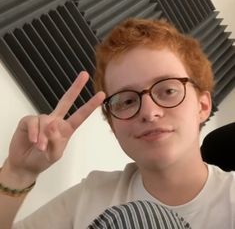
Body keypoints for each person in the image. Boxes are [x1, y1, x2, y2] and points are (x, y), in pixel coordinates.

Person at [0, 18, 234, 229]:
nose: (149, 112)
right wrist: (18, 173)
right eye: (127, 101)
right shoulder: (90, 196)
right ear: (113, 125)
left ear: (202, 106)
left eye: (168, 90)